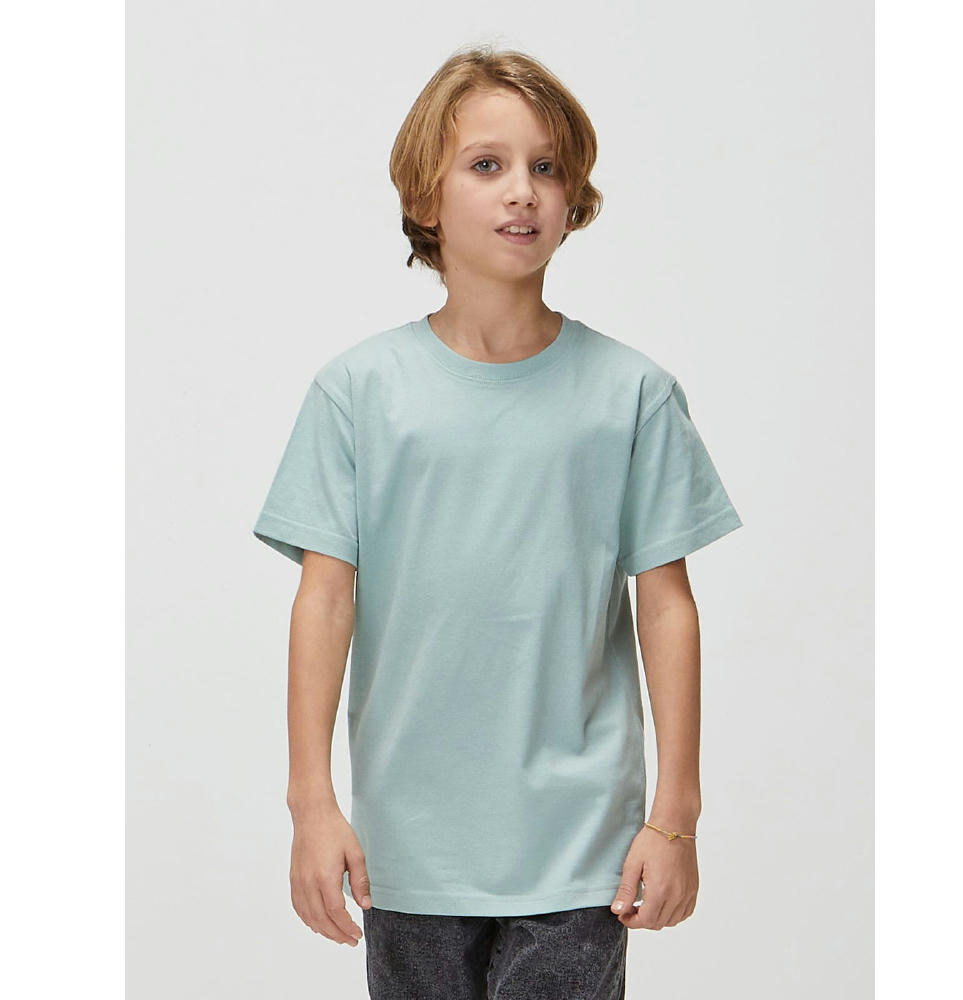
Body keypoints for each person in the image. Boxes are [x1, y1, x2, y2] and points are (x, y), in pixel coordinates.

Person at [252, 44, 743, 1000]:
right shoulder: (358, 393)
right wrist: (312, 804)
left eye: (546, 166)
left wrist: (675, 815)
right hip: (410, 848)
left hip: (583, 848)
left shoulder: (631, 394)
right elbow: (325, 601)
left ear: (573, 200)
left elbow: (666, 606)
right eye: (488, 164)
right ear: (426, 198)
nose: (523, 190)